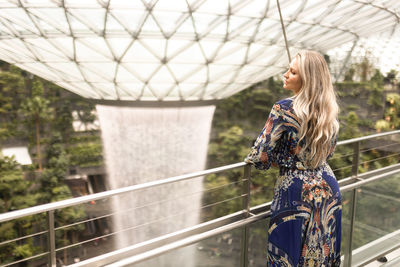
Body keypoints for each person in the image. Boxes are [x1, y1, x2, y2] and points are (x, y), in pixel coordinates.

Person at [245, 50, 342, 266]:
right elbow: (330, 151)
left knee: (286, 256)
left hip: (295, 191)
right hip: (327, 188)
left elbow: (261, 156)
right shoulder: (329, 109)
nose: (285, 75)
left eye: (293, 72)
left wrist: (278, 156)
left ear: (307, 79)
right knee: (322, 256)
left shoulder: (282, 108)